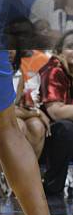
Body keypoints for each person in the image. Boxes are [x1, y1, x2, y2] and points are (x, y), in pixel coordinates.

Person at [39, 30, 73, 196]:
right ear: (59, 51)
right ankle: (53, 189)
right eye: (70, 47)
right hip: (47, 136)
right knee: (65, 128)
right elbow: (57, 113)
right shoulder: (53, 70)